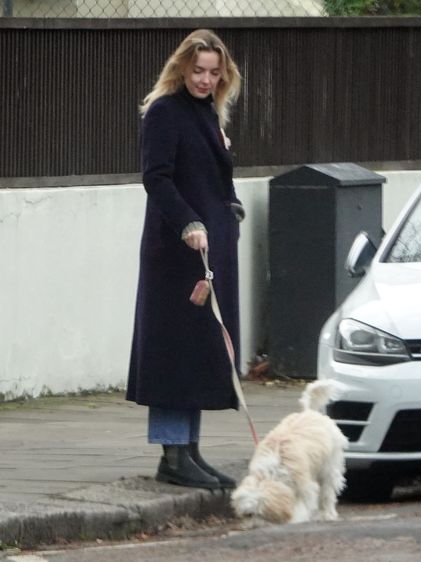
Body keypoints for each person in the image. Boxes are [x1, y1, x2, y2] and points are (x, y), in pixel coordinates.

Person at [126, 29, 244, 491]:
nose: (206, 79)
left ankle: (190, 451)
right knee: (174, 351)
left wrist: (231, 207)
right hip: (177, 251)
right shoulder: (164, 111)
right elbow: (157, 177)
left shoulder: (208, 112)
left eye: (215, 72)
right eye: (198, 70)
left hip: (210, 247)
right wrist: (189, 222)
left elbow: (213, 175)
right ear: (182, 68)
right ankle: (173, 454)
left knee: (199, 350)